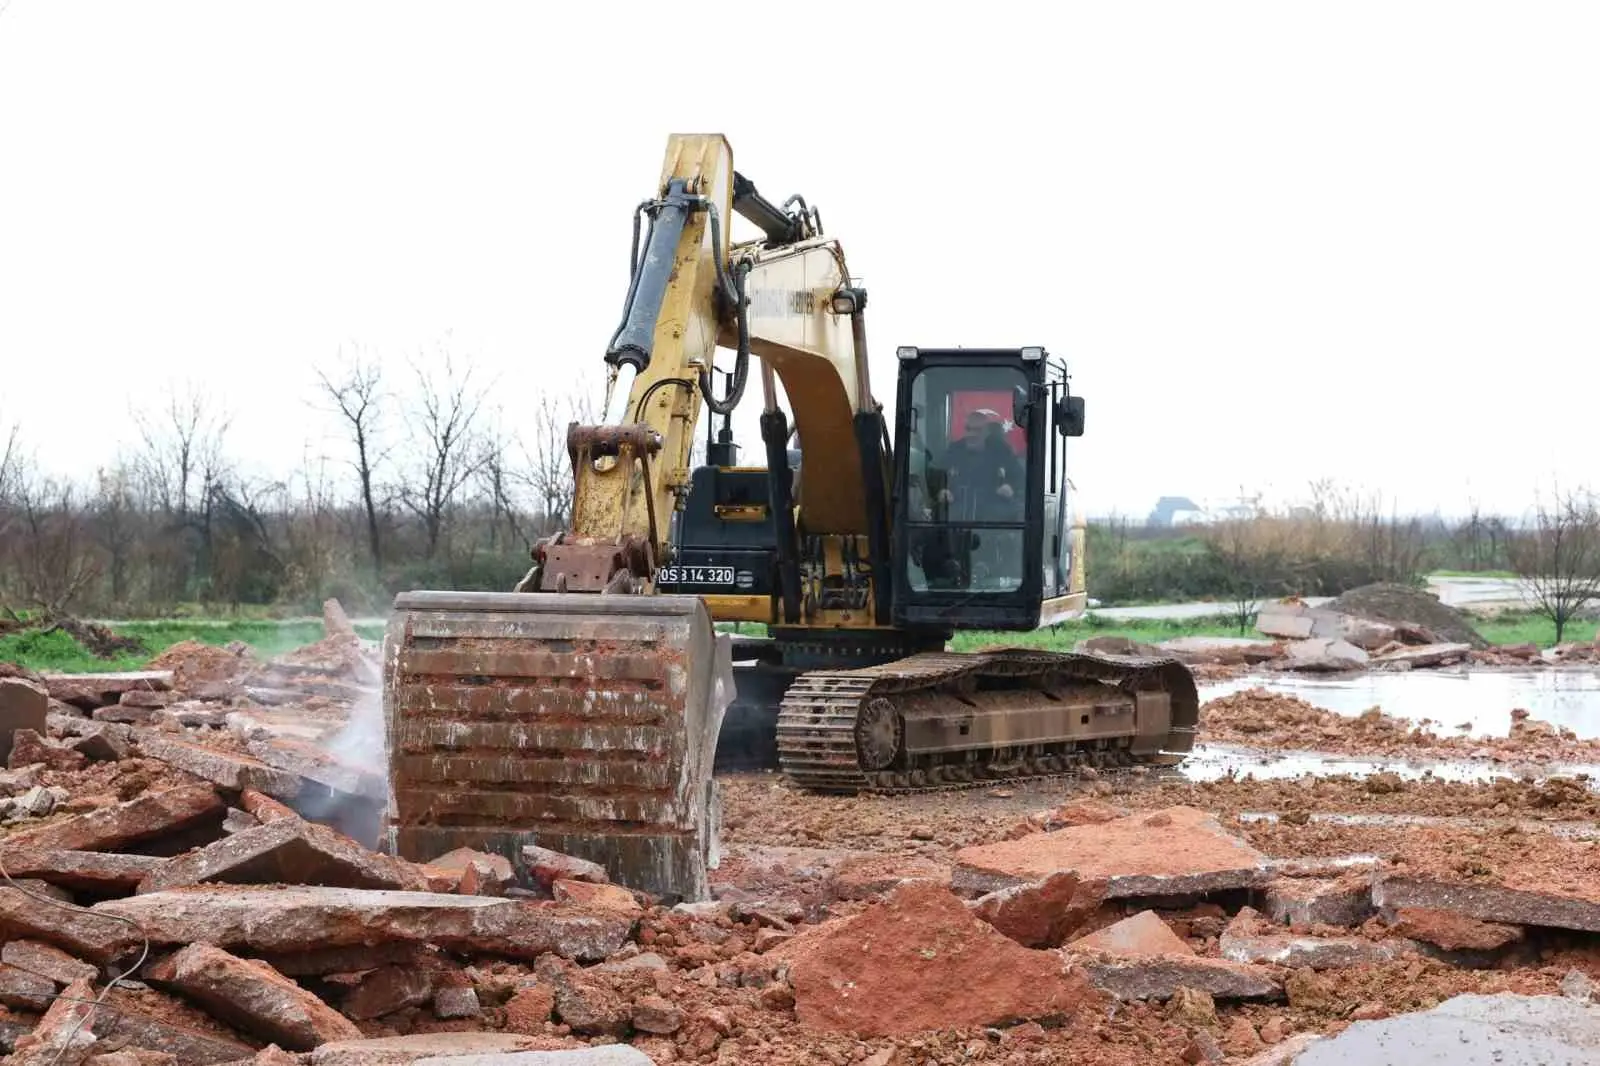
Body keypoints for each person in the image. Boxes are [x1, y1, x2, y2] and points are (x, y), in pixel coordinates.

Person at [937, 408, 1020, 522]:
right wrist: (942, 490)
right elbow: (937, 475)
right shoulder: (954, 450)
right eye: (968, 429)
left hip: (994, 519)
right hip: (957, 519)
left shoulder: (1001, 451)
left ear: (986, 432)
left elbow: (1020, 479)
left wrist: (1011, 488)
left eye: (977, 430)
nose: (972, 434)